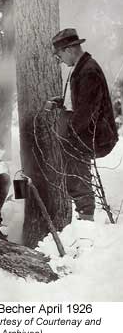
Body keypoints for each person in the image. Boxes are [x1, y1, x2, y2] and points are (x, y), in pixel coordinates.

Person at [49, 28, 118, 221]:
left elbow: (87, 110)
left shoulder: (88, 71)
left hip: (93, 134)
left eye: (60, 55)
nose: (60, 60)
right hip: (85, 131)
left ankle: (86, 219)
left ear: (70, 49)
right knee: (74, 173)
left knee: (77, 175)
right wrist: (60, 102)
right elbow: (80, 101)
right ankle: (83, 215)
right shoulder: (81, 68)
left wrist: (69, 134)